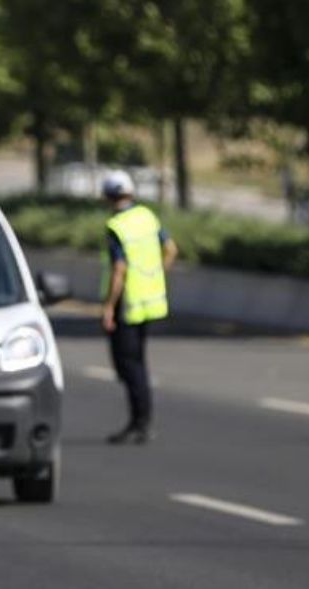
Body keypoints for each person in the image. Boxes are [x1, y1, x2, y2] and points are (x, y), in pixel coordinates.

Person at [100, 170, 177, 445]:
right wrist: (156, 275)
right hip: (150, 301)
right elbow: (171, 249)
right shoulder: (146, 216)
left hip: (128, 304)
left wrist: (109, 307)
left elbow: (119, 269)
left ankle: (140, 422)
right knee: (138, 363)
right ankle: (140, 420)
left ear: (107, 196)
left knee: (130, 366)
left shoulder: (117, 226)